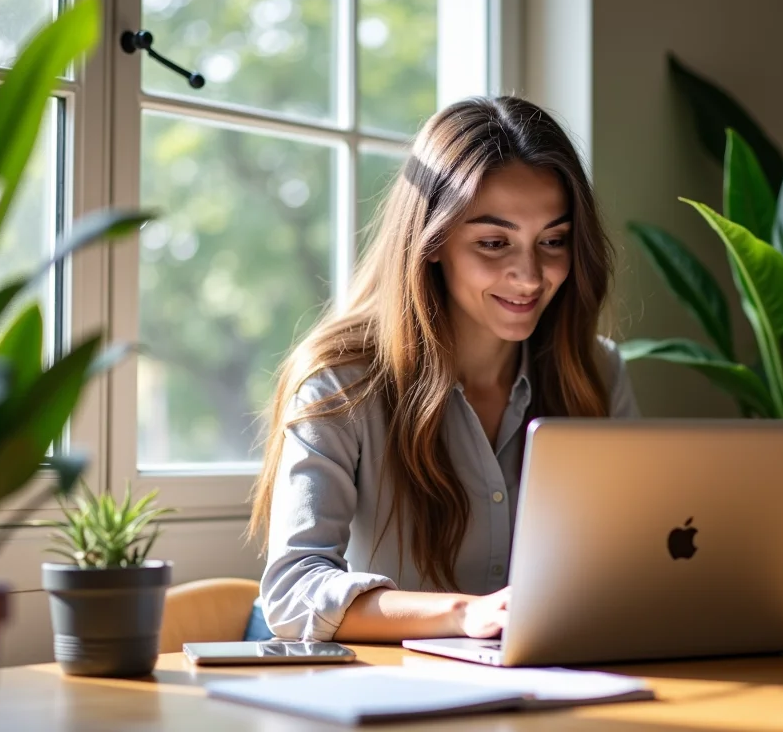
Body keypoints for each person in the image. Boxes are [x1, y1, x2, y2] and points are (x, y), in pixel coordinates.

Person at [246, 96, 638, 645]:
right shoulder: (342, 380)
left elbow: (633, 556)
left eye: (552, 242)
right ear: (432, 243)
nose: (528, 276)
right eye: (494, 242)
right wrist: (463, 614)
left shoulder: (595, 369)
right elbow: (292, 590)